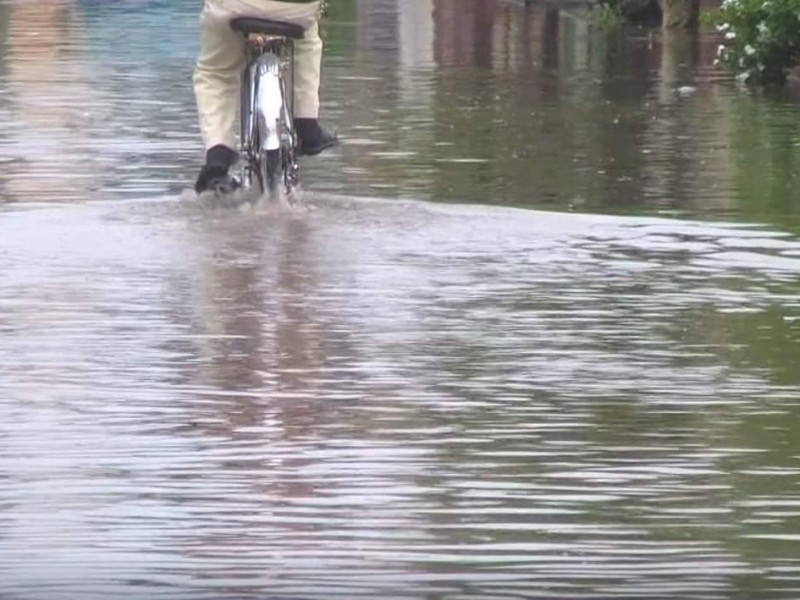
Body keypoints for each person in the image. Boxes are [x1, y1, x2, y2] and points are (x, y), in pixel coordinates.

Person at [193, 0, 337, 194]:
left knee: (216, 71)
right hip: (298, 10)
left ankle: (219, 151)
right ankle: (306, 122)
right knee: (307, 39)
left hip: (234, 7)